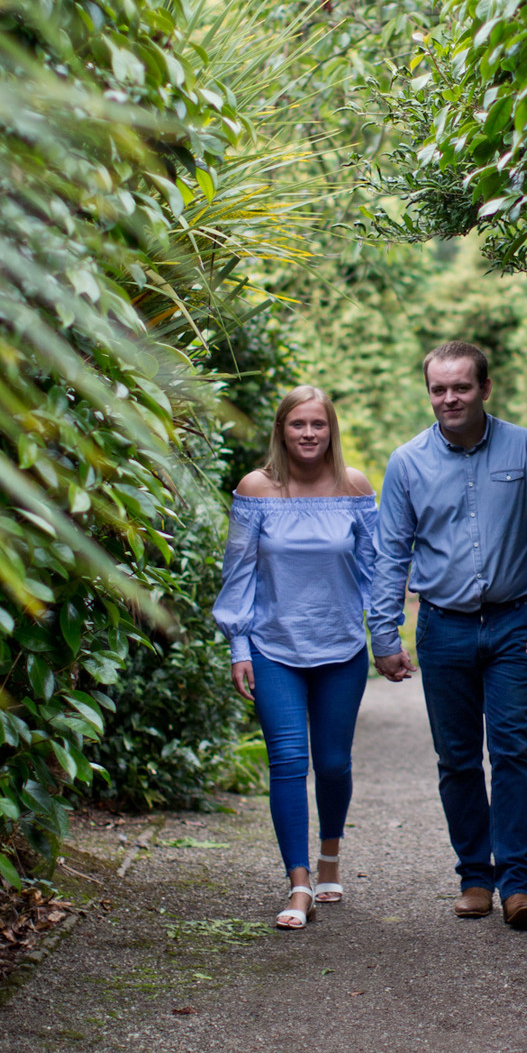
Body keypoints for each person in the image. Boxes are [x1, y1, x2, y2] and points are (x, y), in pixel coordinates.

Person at [369, 340, 527, 928]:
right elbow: (390, 554)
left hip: (515, 624)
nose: (449, 398)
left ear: (484, 388)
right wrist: (384, 634)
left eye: (461, 386)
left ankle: (517, 885)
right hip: (443, 628)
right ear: (428, 392)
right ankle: (474, 878)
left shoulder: (525, 447)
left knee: (514, 752)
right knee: (456, 759)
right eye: (438, 388)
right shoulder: (406, 462)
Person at [213, 386, 376, 929]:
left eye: (319, 424)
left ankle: (330, 855)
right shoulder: (256, 489)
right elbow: (237, 572)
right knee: (286, 761)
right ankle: (299, 881)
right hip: (273, 646)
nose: (309, 434)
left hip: (341, 646)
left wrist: (387, 637)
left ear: (332, 430)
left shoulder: (354, 488)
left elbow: (376, 569)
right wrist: (239, 646)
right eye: (298, 425)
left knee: (332, 762)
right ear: (282, 430)